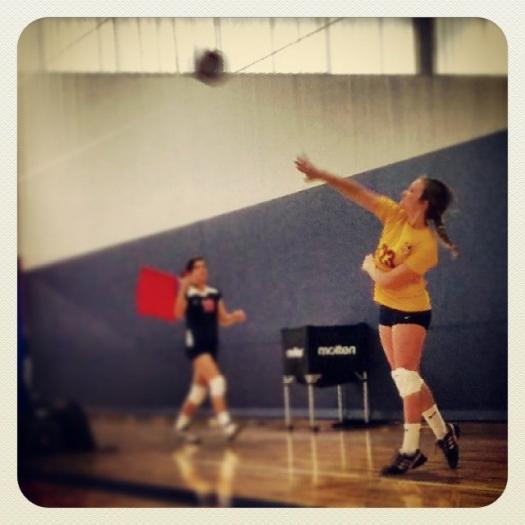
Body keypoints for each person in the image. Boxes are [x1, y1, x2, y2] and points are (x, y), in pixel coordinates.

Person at [295, 155, 460, 476]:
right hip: (387, 307)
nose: (404, 193)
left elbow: (388, 279)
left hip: (412, 311)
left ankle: (410, 450)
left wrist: (370, 266)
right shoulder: (394, 216)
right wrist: (321, 174)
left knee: (406, 378)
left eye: (411, 191)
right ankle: (444, 433)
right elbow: (358, 192)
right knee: (408, 379)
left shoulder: (425, 245)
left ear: (424, 203)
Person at [173, 257, 246, 443]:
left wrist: (234, 317)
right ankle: (227, 426)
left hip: (211, 346)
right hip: (196, 346)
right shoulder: (187, 293)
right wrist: (182, 288)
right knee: (217, 381)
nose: (202, 270)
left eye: (204, 266)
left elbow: (223, 319)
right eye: (197, 267)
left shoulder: (213, 293)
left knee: (198, 391)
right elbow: (178, 313)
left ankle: (181, 425)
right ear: (190, 273)